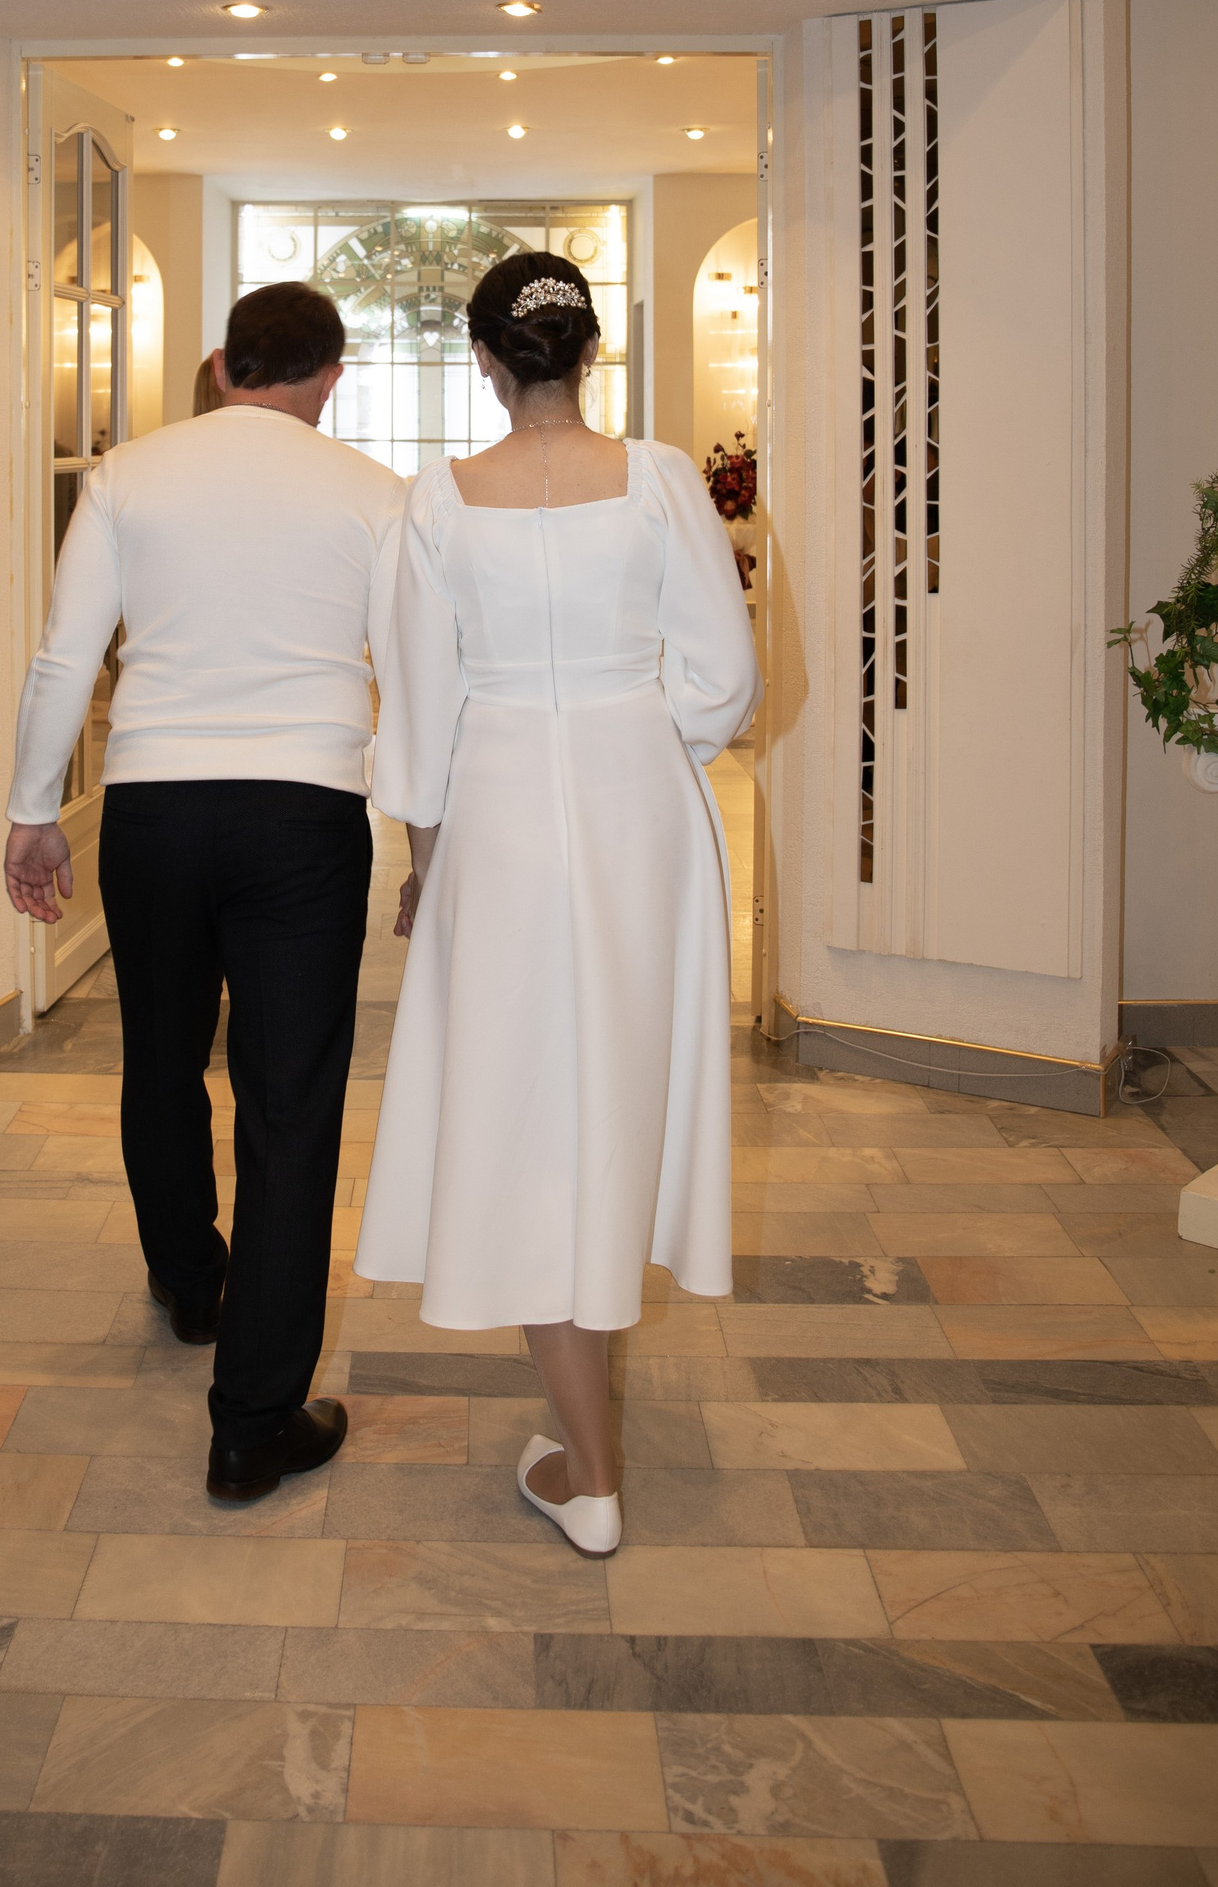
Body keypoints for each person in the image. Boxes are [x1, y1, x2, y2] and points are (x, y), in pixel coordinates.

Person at [356, 251, 760, 1555]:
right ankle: (586, 1456)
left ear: (484, 358)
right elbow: (726, 675)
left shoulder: (434, 501)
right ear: (590, 352)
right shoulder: (661, 478)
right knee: (616, 1088)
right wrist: (636, 734)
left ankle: (591, 1473)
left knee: (526, 1112)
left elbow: (418, 717)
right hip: (643, 809)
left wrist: (427, 863)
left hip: (500, 813)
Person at [4, 282, 406, 1502]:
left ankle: (190, 1281)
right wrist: (427, 833)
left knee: (163, 1054)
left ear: (226, 366)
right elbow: (414, 678)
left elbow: (67, 653)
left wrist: (31, 808)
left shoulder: (126, 474)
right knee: (290, 1107)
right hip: (304, 815)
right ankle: (252, 1423)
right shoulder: (375, 492)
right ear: (330, 377)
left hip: (155, 809)